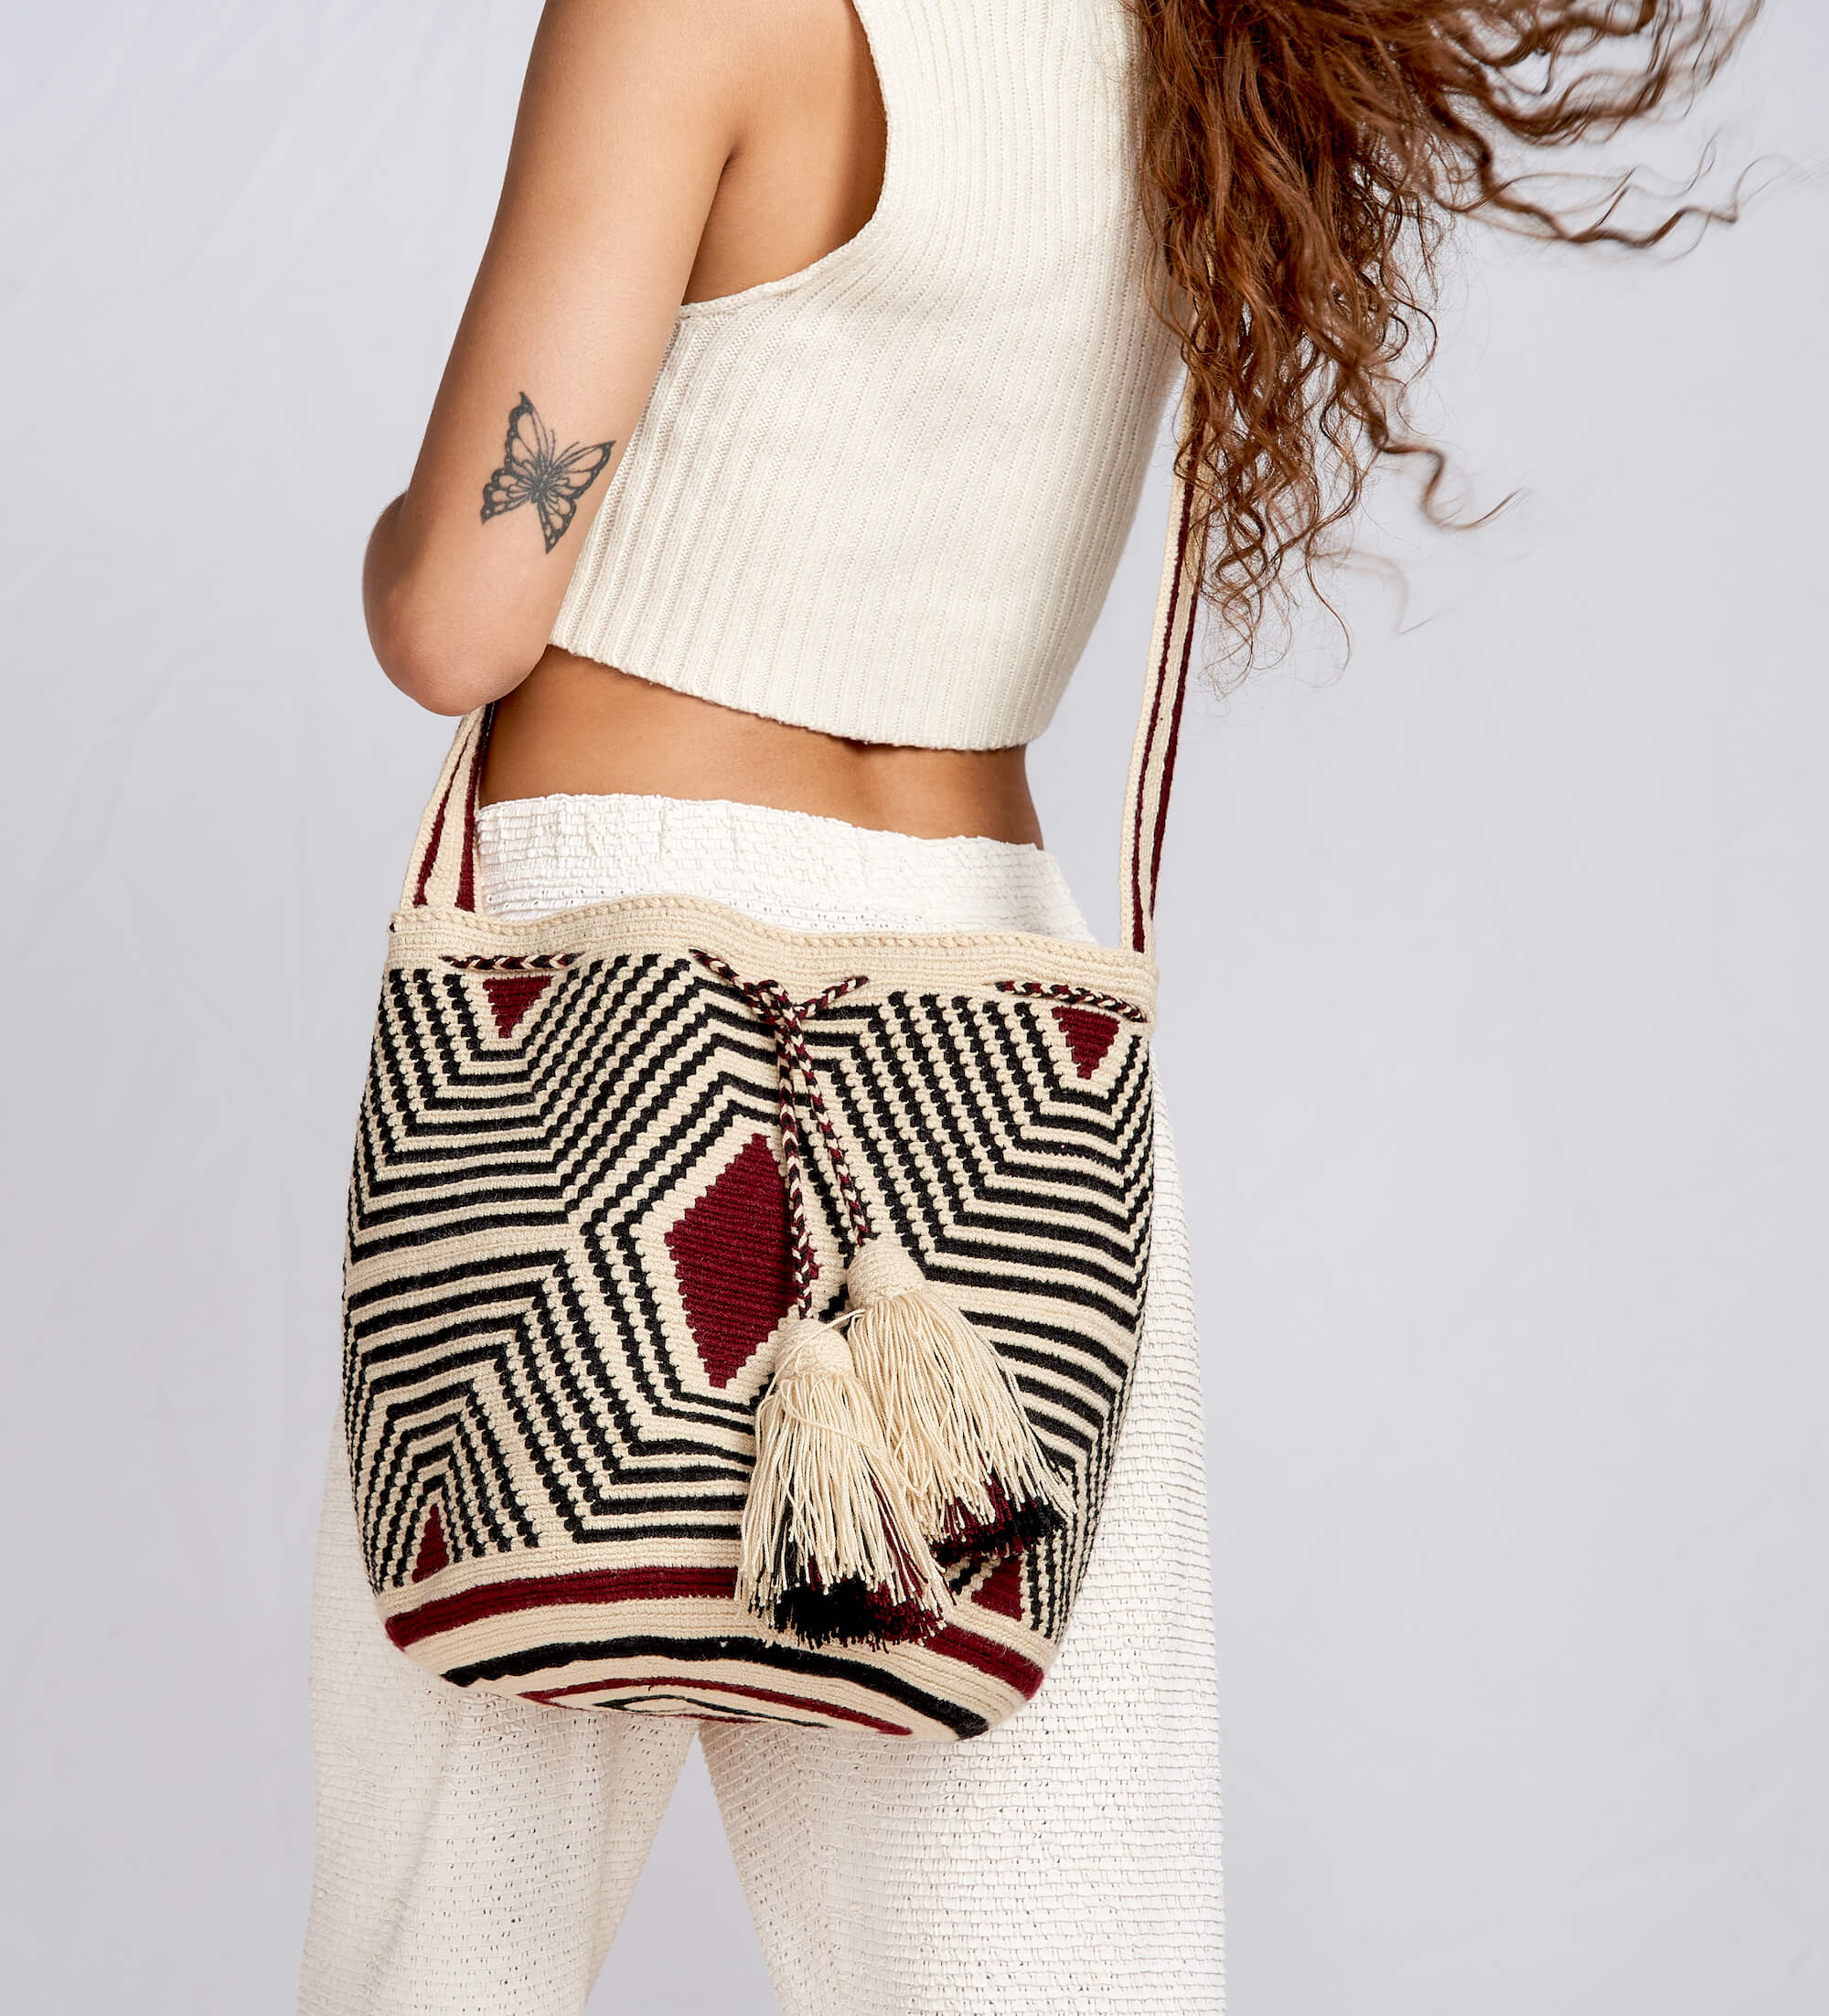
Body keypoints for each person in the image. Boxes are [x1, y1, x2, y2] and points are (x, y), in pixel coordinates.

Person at [297, 4, 1753, 2011]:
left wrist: (395, 541)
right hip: (992, 1042)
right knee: (1058, 1953)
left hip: (595, 1013)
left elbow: (462, 612)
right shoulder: (1217, 43)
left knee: (452, 1940)